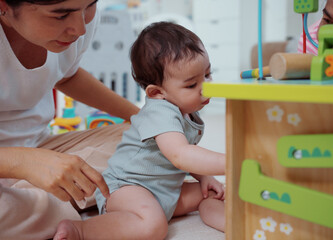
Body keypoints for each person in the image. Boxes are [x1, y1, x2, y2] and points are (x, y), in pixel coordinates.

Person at [54, 21, 226, 240]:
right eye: (192, 85)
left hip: (164, 192)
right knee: (153, 227)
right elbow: (181, 155)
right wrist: (231, 161)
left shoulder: (187, 111)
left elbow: (186, 153)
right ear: (156, 93)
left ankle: (232, 225)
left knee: (214, 192)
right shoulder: (160, 112)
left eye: (208, 75)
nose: (205, 88)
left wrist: (204, 177)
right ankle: (80, 230)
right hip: (127, 188)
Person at [0, 0, 139, 239]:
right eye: (60, 15)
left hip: (43, 147)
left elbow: (66, 76)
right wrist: (22, 162)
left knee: (153, 140)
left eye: (90, 6)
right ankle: (66, 200)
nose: (80, 28)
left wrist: (144, 119)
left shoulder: (79, 13)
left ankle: (44, 202)